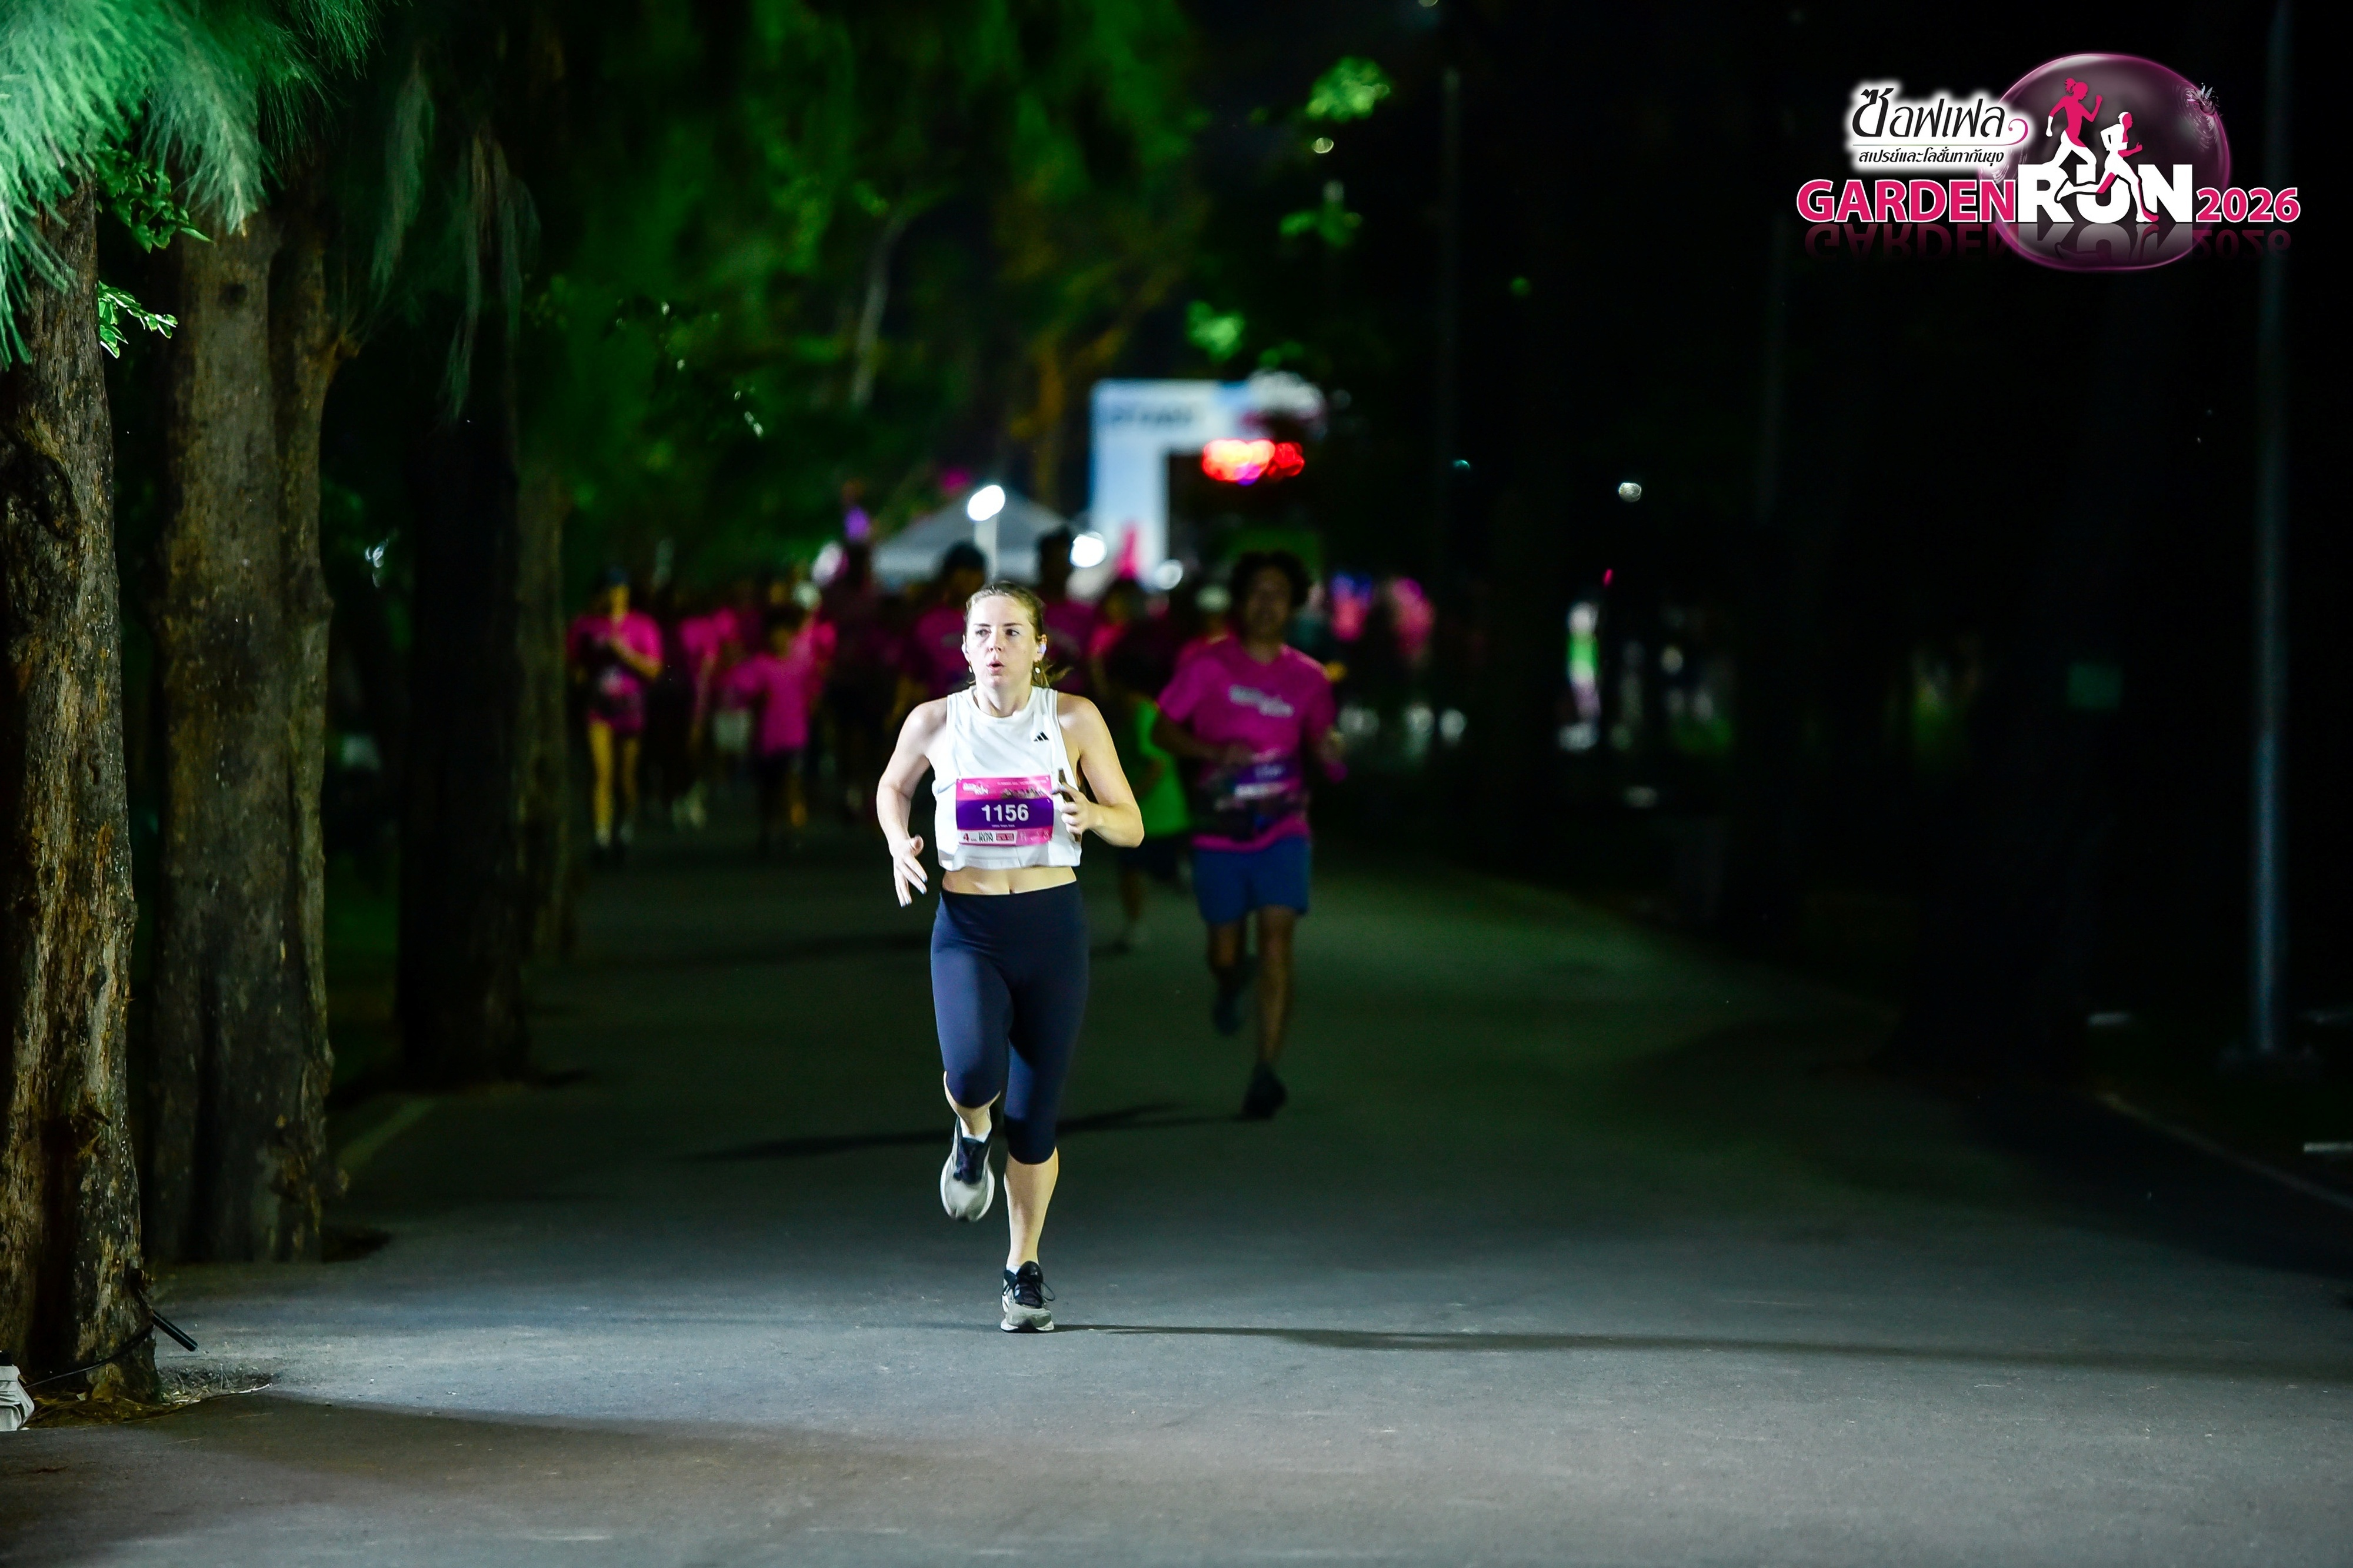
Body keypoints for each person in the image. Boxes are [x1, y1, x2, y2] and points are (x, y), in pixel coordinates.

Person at [875, 581, 1144, 1332]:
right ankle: (969, 1133)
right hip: (970, 928)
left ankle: (1022, 1269)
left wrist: (1091, 812)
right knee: (972, 1076)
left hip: (1051, 927)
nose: (995, 645)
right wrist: (898, 842)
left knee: (1033, 1118)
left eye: (1012, 632)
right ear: (964, 648)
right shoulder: (935, 720)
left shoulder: (1074, 718)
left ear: (1039, 646)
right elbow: (893, 786)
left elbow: (1132, 825)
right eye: (982, 633)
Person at [1153, 551, 1343, 1119]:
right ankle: (1230, 981)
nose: (1267, 604)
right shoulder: (1208, 666)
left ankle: (1265, 1072)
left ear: (1295, 605)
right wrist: (1212, 751)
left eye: (1279, 594)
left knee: (1278, 940)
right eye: (1257, 592)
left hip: (1284, 827)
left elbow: (1325, 747)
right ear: (1240, 601)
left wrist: (1332, 754)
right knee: (1224, 951)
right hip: (1220, 829)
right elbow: (1162, 728)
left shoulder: (1310, 678)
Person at [567, 566, 664, 862]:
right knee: (600, 772)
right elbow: (573, 664)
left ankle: (625, 828)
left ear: (627, 593)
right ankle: (600, 836)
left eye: (619, 590)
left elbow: (654, 671)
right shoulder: (585, 626)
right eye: (608, 590)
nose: (614, 596)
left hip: (631, 708)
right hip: (598, 709)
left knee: (625, 775)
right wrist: (582, 677)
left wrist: (624, 654)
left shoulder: (643, 626)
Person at [1103, 640, 1191, 952]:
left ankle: (1136, 926)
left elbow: (1156, 764)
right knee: (1140, 867)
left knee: (1133, 869)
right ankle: (1177, 876)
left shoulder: (1142, 713)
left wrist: (1128, 797)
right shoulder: (1134, 710)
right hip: (1160, 812)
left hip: (1153, 811)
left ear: (1120, 681)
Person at [722, 605, 824, 855]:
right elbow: (737, 692)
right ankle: (768, 830)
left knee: (791, 785)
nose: (779, 639)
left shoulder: (802, 665)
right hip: (766, 740)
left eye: (784, 633)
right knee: (768, 789)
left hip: (795, 738)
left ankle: (793, 832)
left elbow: (814, 693)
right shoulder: (758, 665)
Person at [902, 542, 990, 703]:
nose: (968, 578)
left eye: (974, 572)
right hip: (941, 710)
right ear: (948, 576)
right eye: (962, 571)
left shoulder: (994, 620)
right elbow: (910, 675)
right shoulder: (928, 624)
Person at [1035, 529, 1099, 698]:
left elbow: (1092, 663)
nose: (1062, 568)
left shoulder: (1085, 615)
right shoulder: (1026, 609)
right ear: (1043, 564)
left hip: (1073, 699)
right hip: (1034, 697)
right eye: (1057, 561)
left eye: (1065, 560)